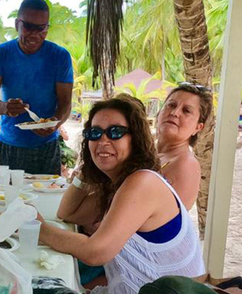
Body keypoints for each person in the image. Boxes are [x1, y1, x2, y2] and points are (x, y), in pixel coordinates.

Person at [36, 95, 205, 294]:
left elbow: (96, 250)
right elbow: (68, 213)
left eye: (115, 132)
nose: (103, 140)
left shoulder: (143, 182)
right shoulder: (119, 183)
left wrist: (38, 229)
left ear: (136, 138)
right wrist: (88, 170)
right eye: (94, 133)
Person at [59, 83, 213, 233]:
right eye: (171, 105)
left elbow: (159, 228)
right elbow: (68, 214)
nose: (175, 113)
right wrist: (87, 173)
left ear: (198, 127)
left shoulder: (185, 165)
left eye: (186, 111)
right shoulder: (139, 154)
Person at [0, 0, 74, 175]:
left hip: (46, 147)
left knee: (47, 201)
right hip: (8, 146)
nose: (34, 34)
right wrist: (4, 107)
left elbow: (65, 104)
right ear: (18, 23)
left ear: (47, 28)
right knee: (2, 200)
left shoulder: (60, 56)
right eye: (28, 26)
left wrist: (54, 124)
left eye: (41, 28)